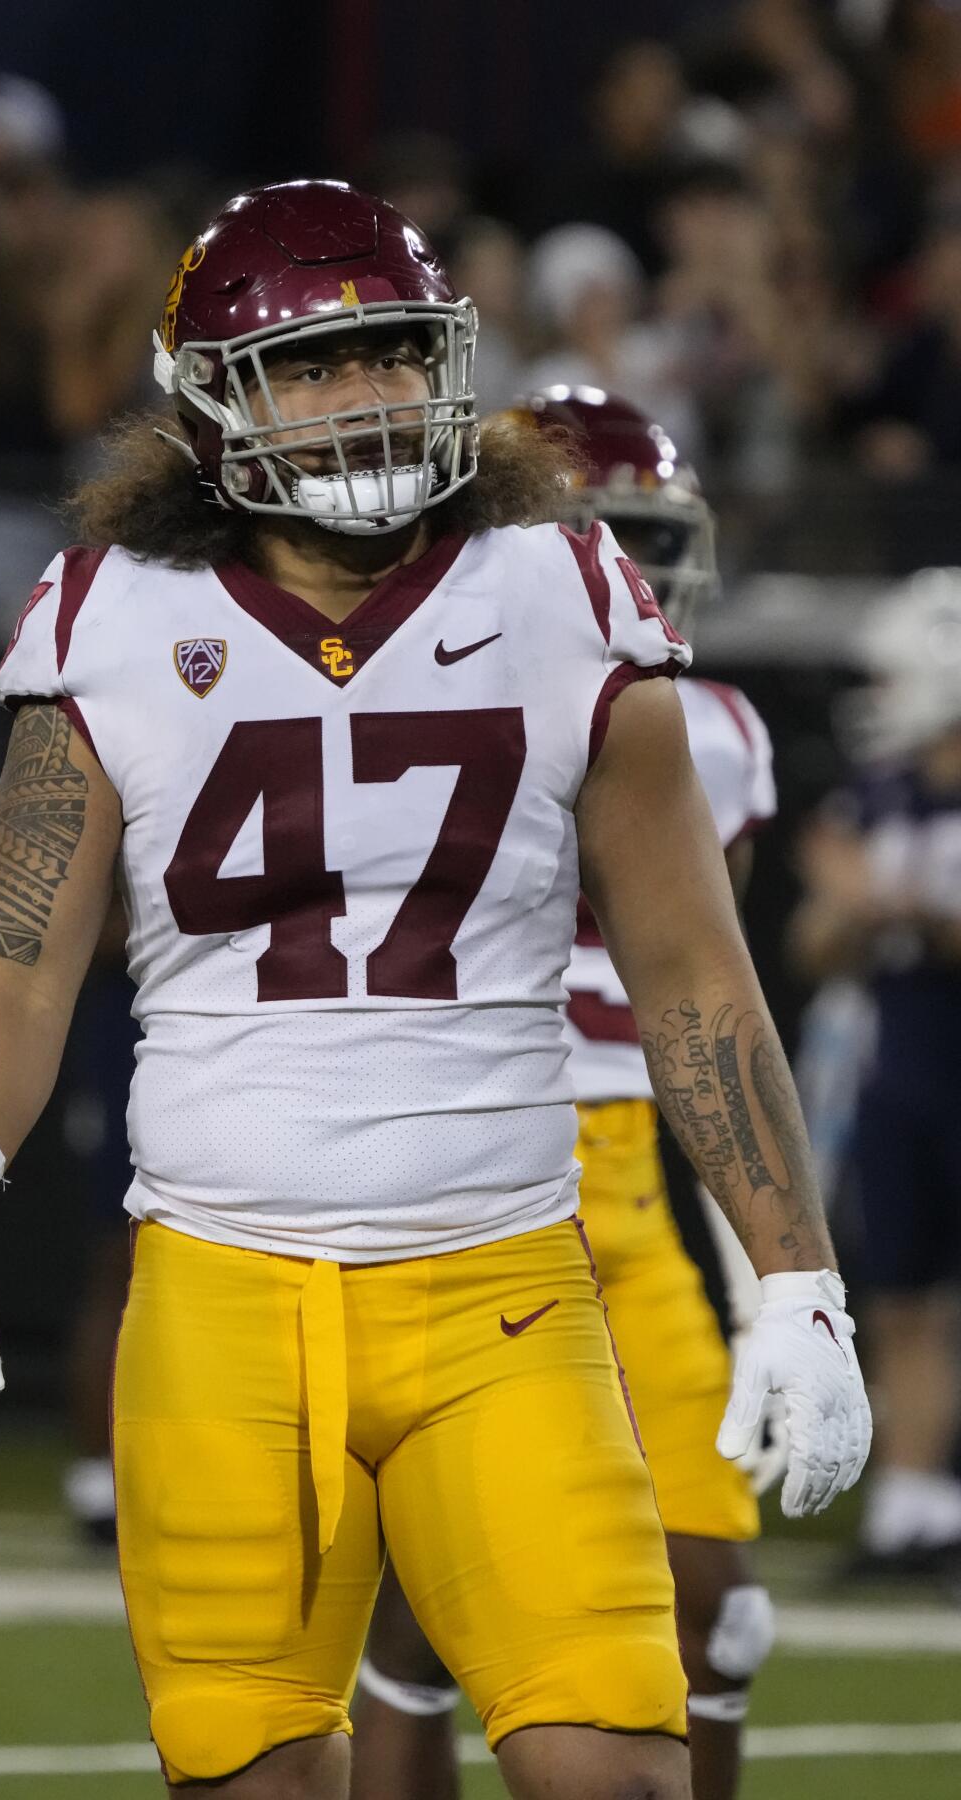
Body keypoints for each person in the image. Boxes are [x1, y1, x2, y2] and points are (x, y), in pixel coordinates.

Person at [0, 179, 870, 1800]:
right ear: (212, 401)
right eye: (316, 366)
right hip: (222, 1298)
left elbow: (695, 976)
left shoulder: (560, 597)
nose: (367, 394)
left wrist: (794, 1281)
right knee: (258, 1778)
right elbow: (9, 968)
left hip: (507, 1293)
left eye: (392, 355)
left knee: (615, 1765)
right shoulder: (113, 616)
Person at [350, 390, 780, 1800]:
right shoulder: (415, 682)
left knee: (715, 1607)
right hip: (471, 1146)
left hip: (634, 1164)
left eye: (661, 548)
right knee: (415, 1606)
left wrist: (785, 1273)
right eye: (619, 544)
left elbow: (707, 983)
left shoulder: (708, 724)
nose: (645, 583)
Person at [791, 566, 961, 1575]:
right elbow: (817, 946)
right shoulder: (876, 798)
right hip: (902, 1066)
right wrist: (848, 908)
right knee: (898, 1292)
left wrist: (908, 912)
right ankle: (909, 1507)